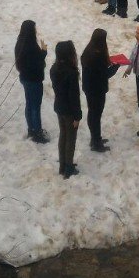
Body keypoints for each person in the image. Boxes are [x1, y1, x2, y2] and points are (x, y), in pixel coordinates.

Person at [80, 29, 121, 153]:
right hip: (97, 90)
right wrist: (116, 67)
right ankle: (96, 142)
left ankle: (95, 138)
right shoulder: (97, 56)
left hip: (89, 88)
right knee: (95, 115)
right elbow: (104, 74)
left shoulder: (88, 51)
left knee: (93, 113)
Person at [15, 20, 49, 144]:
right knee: (35, 106)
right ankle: (38, 132)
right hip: (34, 80)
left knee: (29, 104)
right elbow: (38, 63)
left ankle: (31, 128)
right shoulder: (31, 47)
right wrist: (44, 51)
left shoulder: (20, 43)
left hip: (25, 78)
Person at [51, 40, 81, 178]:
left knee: (63, 135)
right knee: (71, 138)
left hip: (59, 106)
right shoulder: (71, 73)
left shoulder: (54, 68)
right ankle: (69, 167)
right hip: (69, 110)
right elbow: (74, 96)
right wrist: (77, 116)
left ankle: (62, 165)